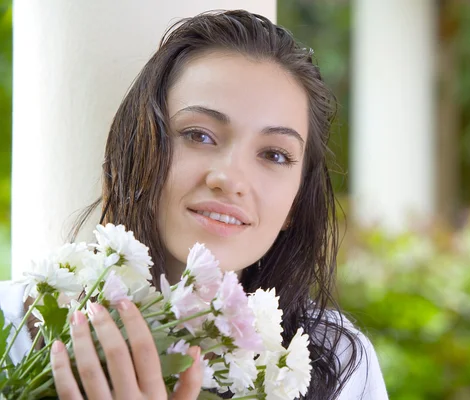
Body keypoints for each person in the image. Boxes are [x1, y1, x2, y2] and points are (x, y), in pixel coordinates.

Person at [0, 9, 388, 399]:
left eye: (274, 155)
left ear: (295, 203)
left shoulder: (338, 365)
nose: (230, 179)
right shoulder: (10, 328)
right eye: (199, 135)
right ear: (139, 149)